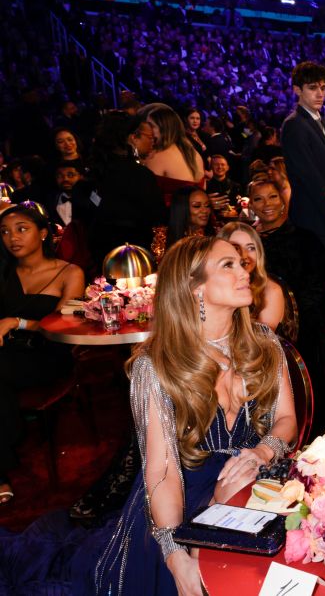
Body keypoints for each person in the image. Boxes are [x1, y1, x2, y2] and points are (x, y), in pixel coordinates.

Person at [0, 235, 297, 593]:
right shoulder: (156, 366)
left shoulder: (264, 342)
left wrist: (263, 451)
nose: (243, 270)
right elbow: (162, 471)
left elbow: (286, 421)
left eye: (241, 262)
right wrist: (175, 552)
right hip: (181, 497)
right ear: (194, 289)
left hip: (254, 482)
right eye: (228, 265)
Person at [0, 204, 84, 505]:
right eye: (5, 232)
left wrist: (17, 322)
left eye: (22, 228)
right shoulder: (4, 273)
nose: (13, 237)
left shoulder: (68, 271)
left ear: (44, 232)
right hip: (7, 355)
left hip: (48, 354)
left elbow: (69, 323)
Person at [251, 178, 325, 433]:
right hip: (259, 334)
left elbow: (318, 288)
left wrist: (291, 325)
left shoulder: (306, 240)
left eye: (272, 197)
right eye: (258, 198)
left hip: (303, 332)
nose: (266, 204)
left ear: (283, 201)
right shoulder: (249, 244)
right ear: (251, 205)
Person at [281, 61, 325, 253]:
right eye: (312, 88)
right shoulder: (294, 124)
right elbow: (307, 176)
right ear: (297, 90)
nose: (320, 93)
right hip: (313, 217)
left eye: (323, 88)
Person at [88, 111, 165, 266]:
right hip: (135, 257)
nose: (152, 142)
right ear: (132, 138)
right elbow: (158, 217)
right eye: (150, 137)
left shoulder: (97, 170)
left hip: (100, 254)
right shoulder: (140, 175)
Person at [218, 221, 285, 331]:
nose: (244, 255)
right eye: (236, 248)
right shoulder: (214, 287)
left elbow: (263, 342)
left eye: (251, 248)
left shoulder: (270, 290)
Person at [138, 103, 205, 206]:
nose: (148, 131)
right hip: (195, 219)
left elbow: (144, 196)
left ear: (164, 128)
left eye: (151, 126)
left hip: (169, 219)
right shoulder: (194, 153)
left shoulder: (157, 156)